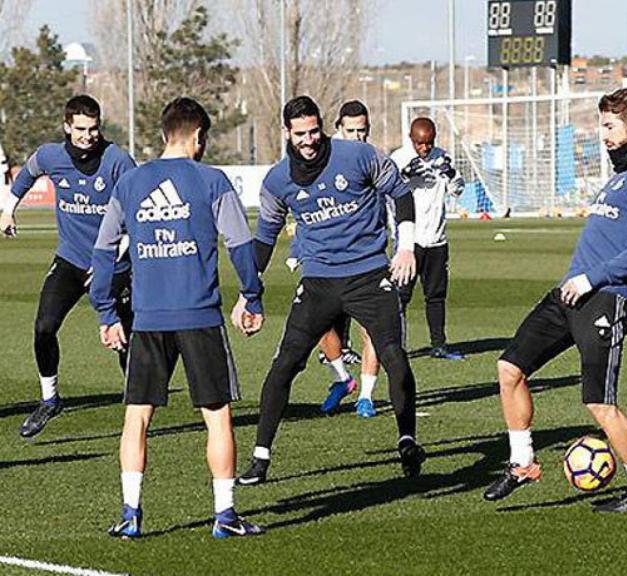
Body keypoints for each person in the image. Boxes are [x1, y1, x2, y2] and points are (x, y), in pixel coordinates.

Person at [483, 88, 627, 514]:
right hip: (571, 295)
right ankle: (522, 463)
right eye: (601, 124)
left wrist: (593, 278)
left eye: (610, 125)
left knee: (599, 403)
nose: (602, 133)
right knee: (509, 368)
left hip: (606, 298)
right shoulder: (621, 176)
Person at [90, 97, 265, 539]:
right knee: (217, 416)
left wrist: (107, 312)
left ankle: (130, 513)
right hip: (199, 316)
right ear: (198, 136)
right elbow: (240, 245)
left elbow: (103, 250)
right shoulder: (211, 181)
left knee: (137, 418)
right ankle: (224, 515)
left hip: (148, 319)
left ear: (164, 133)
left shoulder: (130, 183)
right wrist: (251, 295)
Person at [238, 96, 424, 486]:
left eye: (313, 131)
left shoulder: (357, 156)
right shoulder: (277, 181)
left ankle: (407, 440)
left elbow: (401, 194)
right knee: (284, 364)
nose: (308, 140)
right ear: (287, 133)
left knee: (393, 355)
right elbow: (265, 237)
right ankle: (259, 458)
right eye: (299, 134)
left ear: (322, 127)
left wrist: (405, 246)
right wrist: (247, 292)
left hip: (370, 274)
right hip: (319, 281)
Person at [1, 95, 136, 438]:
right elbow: (26, 175)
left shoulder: (118, 160)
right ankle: (50, 400)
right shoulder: (50, 155)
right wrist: (8, 209)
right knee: (44, 326)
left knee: (124, 340)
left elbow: (138, 214)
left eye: (93, 129)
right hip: (71, 259)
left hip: (114, 262)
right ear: (67, 127)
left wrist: (112, 257)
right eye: (80, 129)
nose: (87, 136)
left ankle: (137, 405)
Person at [316, 100, 384, 418]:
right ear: (338, 130)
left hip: (367, 261)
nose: (358, 137)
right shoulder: (321, 162)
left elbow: (396, 202)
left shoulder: (374, 161)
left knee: (371, 330)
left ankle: (366, 397)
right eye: (351, 130)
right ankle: (342, 379)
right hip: (327, 261)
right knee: (319, 326)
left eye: (363, 131)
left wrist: (403, 246)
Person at [391, 117, 466, 360]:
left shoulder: (441, 156)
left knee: (436, 295)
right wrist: (405, 176)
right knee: (401, 296)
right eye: (420, 143)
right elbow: (387, 191)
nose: (424, 148)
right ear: (411, 138)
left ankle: (439, 344)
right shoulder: (399, 158)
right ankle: (397, 346)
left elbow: (457, 189)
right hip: (409, 241)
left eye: (429, 143)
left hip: (437, 238)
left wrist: (451, 174)